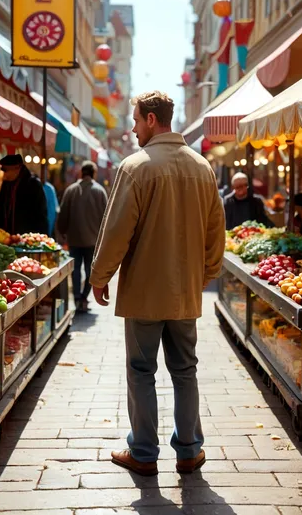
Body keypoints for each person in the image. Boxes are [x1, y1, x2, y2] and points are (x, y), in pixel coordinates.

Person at [89, 91, 225, 477]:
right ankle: (188, 451)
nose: (132, 128)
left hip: (145, 293)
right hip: (185, 292)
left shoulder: (136, 167)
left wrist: (100, 277)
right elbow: (217, 228)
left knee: (140, 370)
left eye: (135, 120)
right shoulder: (202, 167)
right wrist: (207, 273)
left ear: (151, 119)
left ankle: (144, 453)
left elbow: (116, 231)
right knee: (185, 371)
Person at [58, 161, 107, 312]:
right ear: (94, 173)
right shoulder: (100, 191)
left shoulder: (71, 190)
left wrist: (62, 232)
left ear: (81, 173)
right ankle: (84, 297)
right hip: (93, 240)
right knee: (90, 270)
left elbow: (63, 214)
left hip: (74, 238)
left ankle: (78, 298)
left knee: (76, 269)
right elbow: (106, 217)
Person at [0, 154, 48, 235]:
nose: (4, 175)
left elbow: (41, 214)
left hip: (27, 237)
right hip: (5, 237)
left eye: (6, 171)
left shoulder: (33, 184)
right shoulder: (7, 183)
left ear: (17, 168)